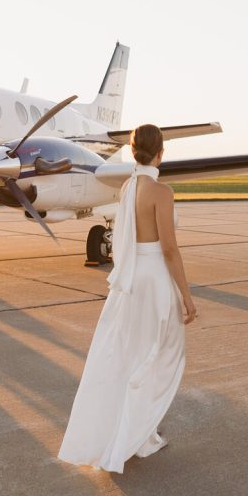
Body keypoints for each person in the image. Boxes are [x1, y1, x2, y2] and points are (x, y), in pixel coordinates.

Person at [58, 124, 198, 473]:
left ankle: (135, 429)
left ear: (133, 151)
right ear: (161, 151)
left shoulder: (126, 188)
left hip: (131, 282)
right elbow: (168, 248)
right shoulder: (160, 192)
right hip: (154, 281)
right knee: (162, 354)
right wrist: (187, 294)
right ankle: (138, 431)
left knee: (130, 354)